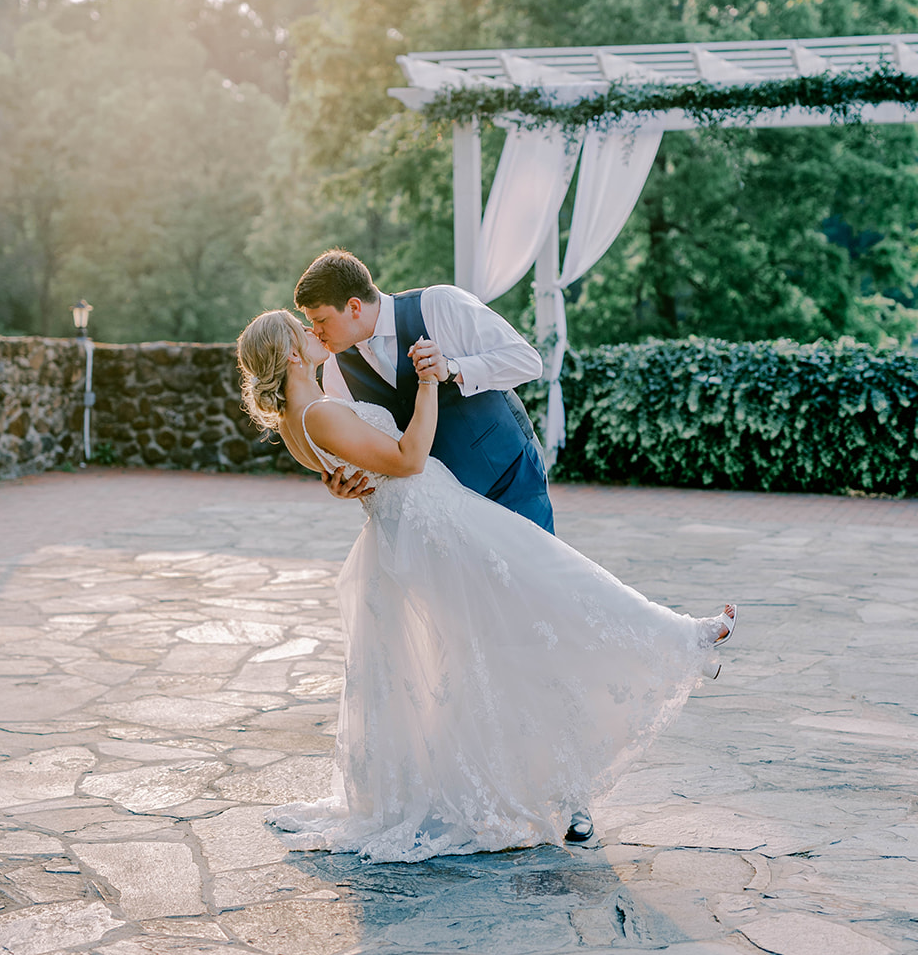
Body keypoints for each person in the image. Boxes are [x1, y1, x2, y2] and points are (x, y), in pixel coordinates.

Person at [236, 308, 737, 865]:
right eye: (302, 329)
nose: (314, 332)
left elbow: (354, 467)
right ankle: (681, 642)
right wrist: (428, 381)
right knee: (552, 585)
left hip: (422, 522)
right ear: (287, 353)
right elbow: (407, 458)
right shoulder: (319, 412)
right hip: (436, 524)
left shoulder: (300, 416)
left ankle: (669, 651)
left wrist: (348, 481)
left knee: (508, 629)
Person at [294, 250, 554, 534]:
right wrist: (343, 481)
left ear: (354, 307)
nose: (315, 331)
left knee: (535, 575)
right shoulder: (335, 369)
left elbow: (527, 362)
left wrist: (452, 368)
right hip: (441, 513)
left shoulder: (439, 305)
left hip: (509, 477)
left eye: (321, 320)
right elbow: (361, 445)